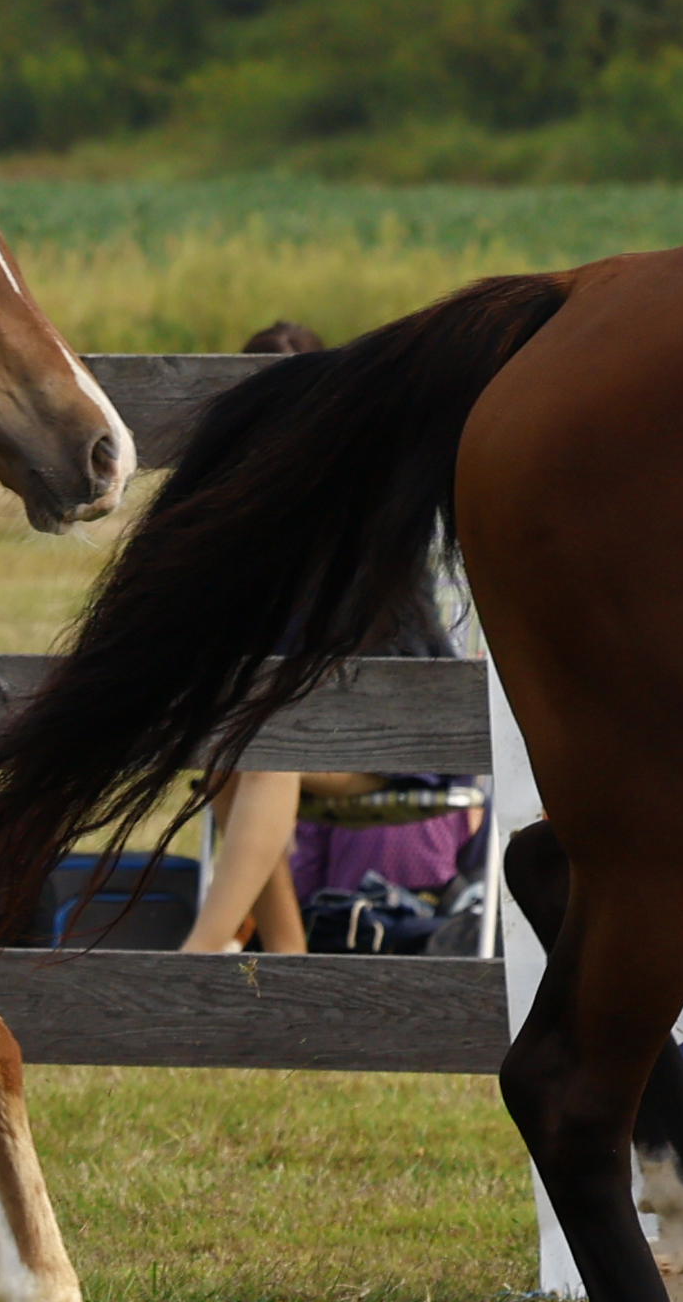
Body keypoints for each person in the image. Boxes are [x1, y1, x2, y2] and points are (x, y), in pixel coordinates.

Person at [179, 321, 483, 953]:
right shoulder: (236, 518)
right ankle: (288, 959)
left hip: (397, 736)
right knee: (233, 756)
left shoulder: (368, 504)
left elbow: (387, 653)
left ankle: (200, 954)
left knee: (264, 749)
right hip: (291, 732)